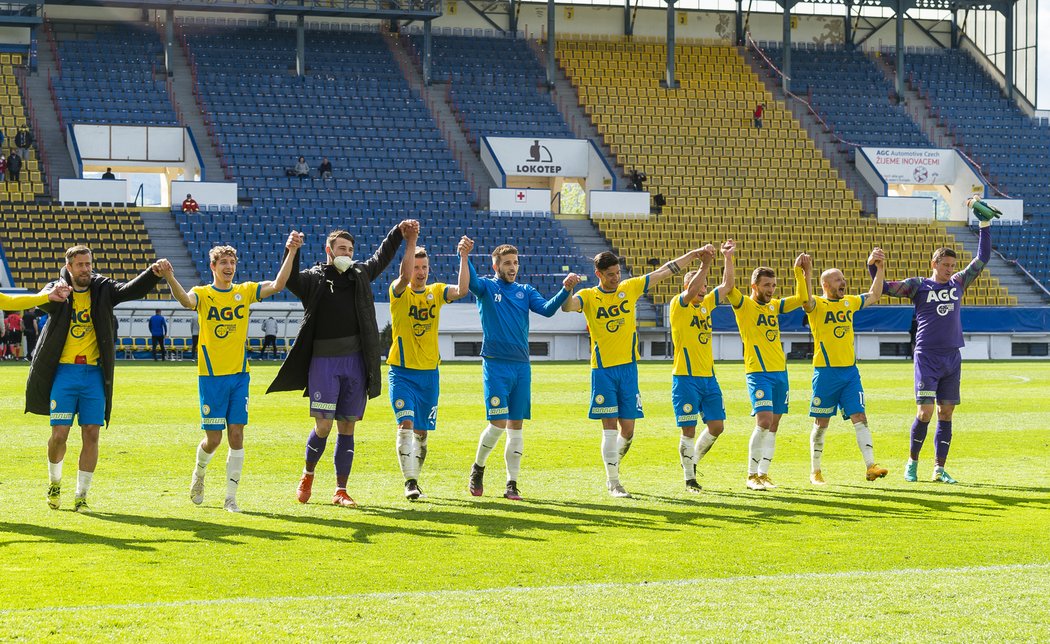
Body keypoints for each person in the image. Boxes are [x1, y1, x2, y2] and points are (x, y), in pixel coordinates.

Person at [269, 222, 414, 508]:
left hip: (356, 362)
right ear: (329, 251)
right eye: (341, 249)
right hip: (323, 361)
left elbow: (381, 257)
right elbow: (291, 280)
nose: (346, 253)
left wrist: (397, 232)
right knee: (323, 426)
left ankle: (341, 490)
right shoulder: (314, 278)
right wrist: (292, 250)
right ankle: (308, 474)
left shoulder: (359, 274)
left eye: (350, 249)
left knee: (347, 427)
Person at [158, 232, 303, 513]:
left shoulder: (245, 291)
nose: (228, 266)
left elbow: (278, 284)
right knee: (214, 439)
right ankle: (199, 473)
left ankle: (231, 497)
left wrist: (292, 250)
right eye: (223, 262)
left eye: (232, 262)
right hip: (211, 377)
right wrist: (169, 277)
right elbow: (186, 302)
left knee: (237, 435)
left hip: (239, 375)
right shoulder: (203, 294)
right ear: (213, 266)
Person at [26, 246, 162, 513]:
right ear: (69, 266)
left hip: (93, 374)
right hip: (64, 372)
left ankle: (82, 495)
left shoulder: (102, 288)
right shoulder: (58, 288)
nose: (86, 269)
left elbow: (129, 290)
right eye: (80, 265)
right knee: (59, 434)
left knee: (91, 433)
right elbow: (40, 302)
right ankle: (54, 482)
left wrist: (152, 273)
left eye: (88, 264)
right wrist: (53, 295)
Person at [562, 248, 704, 498]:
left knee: (627, 430)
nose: (616, 277)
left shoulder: (631, 287)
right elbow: (568, 307)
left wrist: (692, 256)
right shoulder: (588, 296)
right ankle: (613, 482)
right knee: (608, 428)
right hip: (603, 369)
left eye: (617, 272)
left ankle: (611, 467)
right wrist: (568, 288)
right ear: (598, 274)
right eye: (610, 274)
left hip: (629, 369)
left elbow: (663, 271)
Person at [876, 218, 992, 485]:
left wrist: (984, 224)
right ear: (934, 264)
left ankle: (939, 470)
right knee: (924, 412)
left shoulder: (959, 283)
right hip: (926, 356)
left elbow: (982, 257)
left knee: (946, 413)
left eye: (953, 266)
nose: (950, 270)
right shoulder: (918, 286)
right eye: (946, 265)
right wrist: (876, 267)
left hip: (952, 356)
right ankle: (912, 463)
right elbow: (884, 289)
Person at [467, 244, 581, 501]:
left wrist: (566, 288)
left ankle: (512, 484)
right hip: (495, 364)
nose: (512, 267)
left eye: (515, 262)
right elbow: (471, 281)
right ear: (496, 265)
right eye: (507, 263)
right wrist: (464, 256)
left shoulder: (525, 291)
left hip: (521, 365)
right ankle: (478, 468)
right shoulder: (487, 287)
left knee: (516, 427)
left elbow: (548, 309)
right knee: (497, 425)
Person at [389, 235, 473, 500]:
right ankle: (410, 482)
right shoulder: (398, 291)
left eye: (424, 267)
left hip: (429, 375)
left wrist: (463, 256)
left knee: (421, 432)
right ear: (407, 268)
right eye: (416, 267)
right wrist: (410, 244)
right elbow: (403, 278)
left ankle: (416, 475)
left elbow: (461, 290)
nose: (421, 272)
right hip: (401, 372)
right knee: (406, 424)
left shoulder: (435, 292)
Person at [725, 253, 811, 491]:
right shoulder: (743, 304)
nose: (771, 290)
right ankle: (751, 475)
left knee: (774, 424)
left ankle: (763, 474)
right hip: (758, 372)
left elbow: (803, 298)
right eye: (766, 285)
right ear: (754, 286)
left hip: (780, 372)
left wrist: (799, 272)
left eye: (773, 285)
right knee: (763, 421)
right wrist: (729, 258)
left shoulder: (775, 306)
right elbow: (729, 287)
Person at [803, 248, 888, 485]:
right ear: (826, 284)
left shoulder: (849, 302)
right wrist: (807, 272)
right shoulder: (817, 305)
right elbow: (805, 300)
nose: (844, 282)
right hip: (826, 373)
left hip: (850, 372)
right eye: (838, 279)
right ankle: (815, 471)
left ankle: (871, 466)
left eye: (843, 278)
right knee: (821, 424)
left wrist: (879, 269)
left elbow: (874, 294)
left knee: (860, 416)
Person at [669, 240, 736, 492]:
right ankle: (689, 479)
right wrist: (704, 265)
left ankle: (692, 462)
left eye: (705, 287)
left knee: (717, 426)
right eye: (699, 286)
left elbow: (727, 286)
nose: (703, 290)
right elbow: (691, 290)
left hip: (708, 378)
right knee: (688, 429)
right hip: (685, 378)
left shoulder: (706, 304)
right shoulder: (679, 304)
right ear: (687, 287)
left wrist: (727, 257)